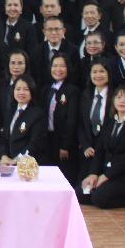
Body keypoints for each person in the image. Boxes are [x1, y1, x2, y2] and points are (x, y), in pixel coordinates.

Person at [81, 84, 125, 209]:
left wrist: (106, 176)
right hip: (108, 172)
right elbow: (100, 150)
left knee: (99, 198)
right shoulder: (109, 122)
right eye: (118, 97)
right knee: (81, 193)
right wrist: (93, 174)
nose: (122, 101)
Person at [44, 53, 82, 184]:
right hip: (48, 139)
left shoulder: (72, 90)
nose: (58, 69)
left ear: (68, 68)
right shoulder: (47, 89)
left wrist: (65, 145)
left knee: (64, 177)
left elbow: (72, 120)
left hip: (64, 142)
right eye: (55, 66)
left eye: (62, 66)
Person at [0, 75, 46, 163]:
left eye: (26, 89)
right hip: (8, 162)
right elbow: (3, 138)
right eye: (18, 89)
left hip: (28, 164)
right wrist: (4, 156)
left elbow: (34, 143)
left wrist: (17, 160)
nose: (21, 92)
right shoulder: (10, 111)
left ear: (32, 91)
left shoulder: (38, 114)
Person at [28, 16, 77, 86]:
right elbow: (34, 76)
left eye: (57, 29)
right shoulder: (36, 52)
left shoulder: (73, 51)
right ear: (44, 32)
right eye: (50, 29)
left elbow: (75, 77)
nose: (53, 33)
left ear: (63, 31)